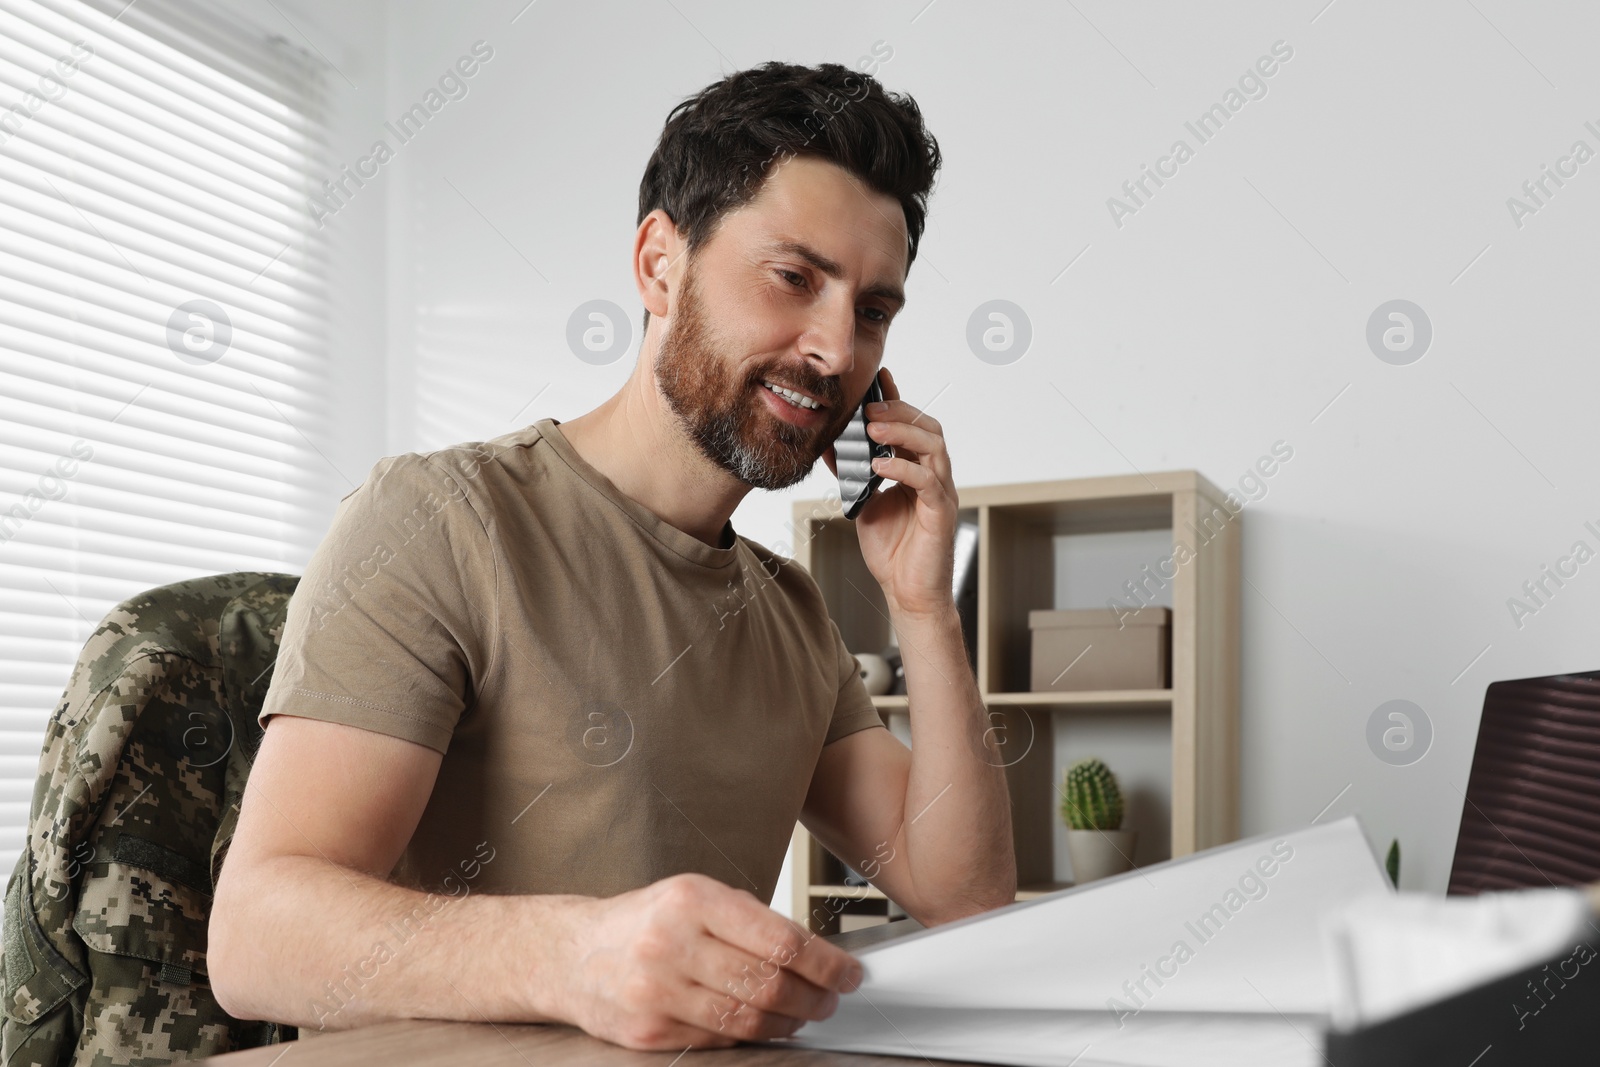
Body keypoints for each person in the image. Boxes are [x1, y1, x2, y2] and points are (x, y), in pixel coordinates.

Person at [208, 59, 1016, 1052]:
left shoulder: (792, 616)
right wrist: (578, 953)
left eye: (873, 310)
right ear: (658, 266)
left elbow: (966, 895)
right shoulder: (440, 518)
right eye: (794, 277)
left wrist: (925, 610)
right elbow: (253, 938)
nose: (832, 348)